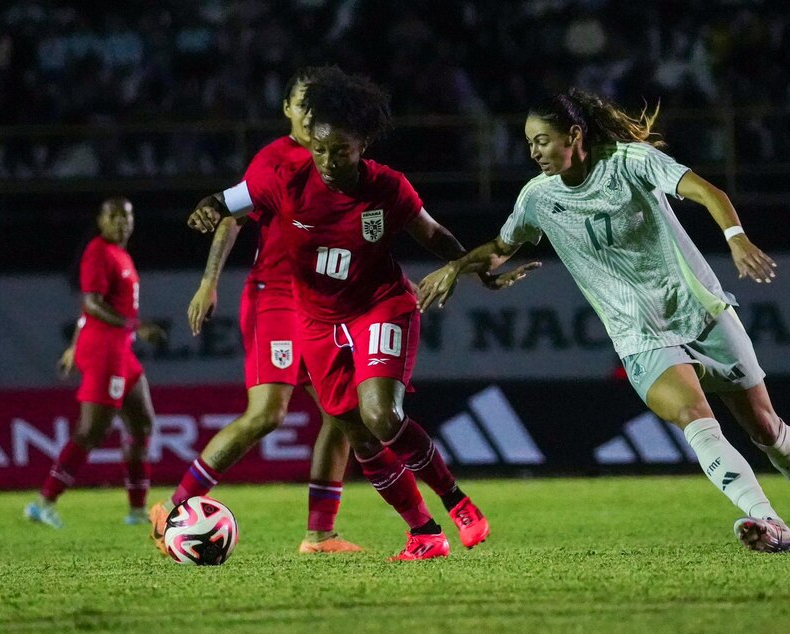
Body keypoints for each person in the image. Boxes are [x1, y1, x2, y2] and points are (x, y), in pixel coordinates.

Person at [418, 88, 790, 553]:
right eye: (528, 143)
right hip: (639, 335)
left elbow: (708, 191)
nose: (533, 152)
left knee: (765, 428)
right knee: (694, 416)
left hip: (700, 312)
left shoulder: (630, 162)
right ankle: (768, 522)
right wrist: (456, 266)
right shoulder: (537, 198)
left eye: (542, 140)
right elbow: (500, 248)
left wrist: (737, 239)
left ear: (574, 134)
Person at [187, 71, 535, 560]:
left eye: (341, 151)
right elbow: (224, 202)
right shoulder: (281, 176)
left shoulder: (387, 188)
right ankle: (424, 534)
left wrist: (468, 268)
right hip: (317, 322)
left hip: (380, 305)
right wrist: (206, 209)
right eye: (321, 149)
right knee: (358, 435)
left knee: (381, 414)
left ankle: (458, 502)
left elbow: (432, 234)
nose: (329, 161)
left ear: (364, 144)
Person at [149, 67, 364, 556]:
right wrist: (208, 283)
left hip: (322, 304)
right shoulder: (276, 159)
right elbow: (231, 217)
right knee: (267, 413)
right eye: (302, 103)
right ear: (287, 108)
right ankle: (174, 510)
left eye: (318, 104)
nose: (311, 113)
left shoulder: (333, 158)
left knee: (343, 413)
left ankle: (320, 535)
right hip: (277, 299)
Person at [25, 197, 166, 528]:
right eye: (113, 216)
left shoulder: (121, 255)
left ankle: (135, 511)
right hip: (105, 351)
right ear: (101, 221)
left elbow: (88, 310)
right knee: (91, 431)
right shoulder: (98, 251)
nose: (121, 222)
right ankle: (43, 503)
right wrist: (136, 326)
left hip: (120, 352)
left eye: (127, 216)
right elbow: (91, 303)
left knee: (142, 422)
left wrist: (72, 348)